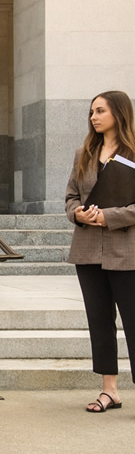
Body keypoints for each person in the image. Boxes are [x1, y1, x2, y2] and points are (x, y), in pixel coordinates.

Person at [65, 90, 135, 413]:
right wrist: (77, 213)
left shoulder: (133, 154)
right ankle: (109, 391)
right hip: (88, 251)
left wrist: (110, 217)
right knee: (100, 320)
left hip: (126, 250)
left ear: (119, 114)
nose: (94, 117)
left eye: (100, 111)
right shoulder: (84, 153)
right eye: (91, 111)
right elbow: (70, 197)